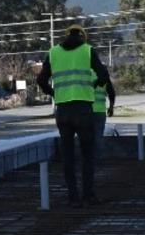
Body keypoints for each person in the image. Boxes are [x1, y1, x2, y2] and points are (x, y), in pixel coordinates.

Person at [36, 24, 110, 206]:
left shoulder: (53, 52)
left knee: (68, 156)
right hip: (83, 109)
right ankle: (89, 195)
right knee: (87, 155)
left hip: (63, 111)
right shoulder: (87, 51)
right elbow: (103, 75)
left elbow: (41, 80)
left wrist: (54, 93)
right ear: (82, 37)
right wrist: (92, 86)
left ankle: (73, 198)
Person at [90, 68, 116, 162]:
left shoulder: (86, 75)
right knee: (98, 136)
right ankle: (98, 158)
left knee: (87, 136)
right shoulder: (104, 77)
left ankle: (88, 158)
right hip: (100, 111)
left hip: (87, 111)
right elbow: (112, 93)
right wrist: (111, 107)